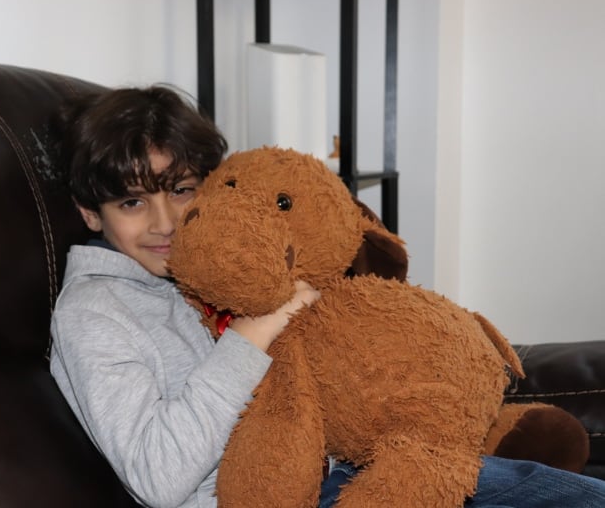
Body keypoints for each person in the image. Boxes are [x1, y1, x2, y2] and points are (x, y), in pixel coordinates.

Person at [50, 85, 605, 508]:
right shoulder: (95, 311)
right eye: (131, 203)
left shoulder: (217, 271)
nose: (166, 222)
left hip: (351, 459)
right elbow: (157, 476)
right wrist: (252, 335)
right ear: (89, 213)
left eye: (181, 191)